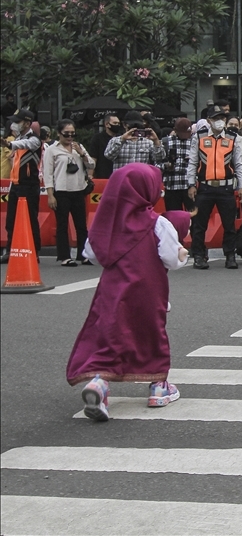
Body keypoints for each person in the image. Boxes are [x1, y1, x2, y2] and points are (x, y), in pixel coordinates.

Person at [66, 165, 190, 421]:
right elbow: (170, 258)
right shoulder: (158, 222)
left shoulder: (105, 223)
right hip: (148, 289)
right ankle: (158, 387)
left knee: (110, 335)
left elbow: (92, 254)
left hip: (112, 289)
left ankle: (99, 382)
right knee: (151, 334)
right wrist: (182, 255)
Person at [186, 107, 242, 270]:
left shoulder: (232, 137)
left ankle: (230, 256)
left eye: (223, 118)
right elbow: (192, 162)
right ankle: (199, 255)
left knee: (229, 224)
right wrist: (191, 184)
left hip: (226, 188)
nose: (220, 122)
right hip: (204, 187)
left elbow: (239, 164)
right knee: (199, 224)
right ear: (209, 121)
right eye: (216, 118)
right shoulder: (199, 136)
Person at [42, 119, 94, 266]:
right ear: (59, 133)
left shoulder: (78, 147)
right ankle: (64, 256)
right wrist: (50, 195)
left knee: (81, 225)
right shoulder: (52, 150)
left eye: (72, 134)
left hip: (78, 190)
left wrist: (82, 154)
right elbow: (48, 174)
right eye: (66, 134)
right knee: (62, 224)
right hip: (61, 191)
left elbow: (91, 164)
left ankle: (83, 254)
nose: (70, 137)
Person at [3, 109, 42, 263]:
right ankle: (10, 251)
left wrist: (9, 143)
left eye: (17, 121)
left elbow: (23, 144)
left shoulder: (34, 139)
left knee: (30, 219)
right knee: (11, 220)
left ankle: (34, 252)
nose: (13, 124)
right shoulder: (19, 137)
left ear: (26, 123)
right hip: (15, 184)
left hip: (29, 185)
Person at [161, 118, 193, 212]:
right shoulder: (166, 142)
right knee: (174, 216)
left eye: (188, 132)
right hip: (171, 185)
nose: (186, 135)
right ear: (175, 130)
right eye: (183, 133)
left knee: (194, 215)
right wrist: (167, 165)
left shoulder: (195, 142)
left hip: (189, 186)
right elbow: (157, 162)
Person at [89, 113, 122, 180]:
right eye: (115, 123)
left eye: (118, 123)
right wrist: (90, 174)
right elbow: (93, 158)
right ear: (107, 124)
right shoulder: (98, 138)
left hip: (118, 175)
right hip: (102, 175)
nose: (117, 125)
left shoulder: (121, 138)